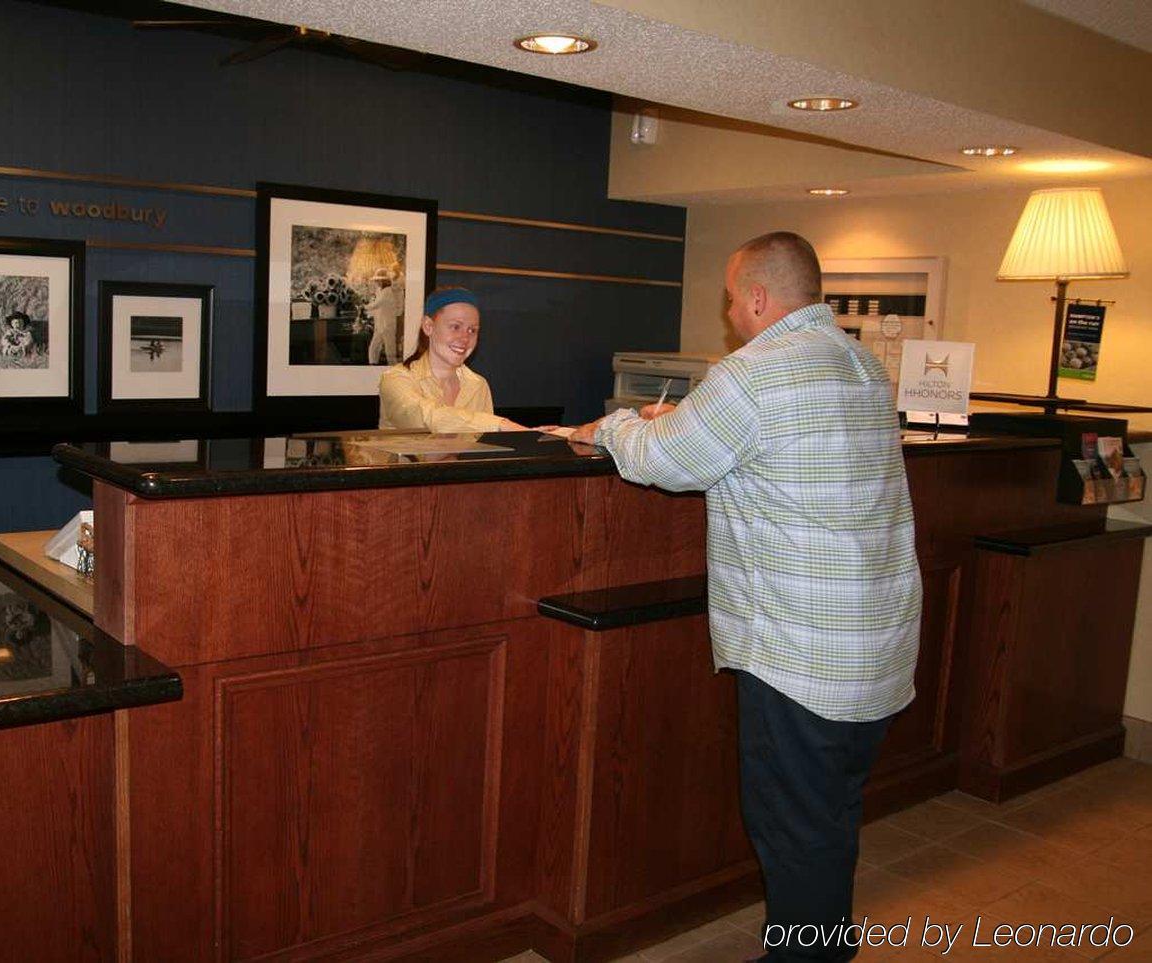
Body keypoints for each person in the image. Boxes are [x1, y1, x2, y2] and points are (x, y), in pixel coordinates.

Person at [570, 232, 921, 962]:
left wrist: (609, 427)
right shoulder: (860, 364)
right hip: (875, 647)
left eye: (733, 298)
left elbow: (663, 461)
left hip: (800, 656)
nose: (730, 313)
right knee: (829, 816)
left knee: (794, 827)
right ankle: (822, 946)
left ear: (759, 297)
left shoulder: (755, 372)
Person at [379, 287, 528, 431]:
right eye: (455, 327)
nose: (465, 338)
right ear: (428, 326)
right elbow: (427, 417)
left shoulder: (478, 386)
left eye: (472, 330)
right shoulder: (396, 379)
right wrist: (501, 425)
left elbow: (480, 450)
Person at [364, 267, 403, 365]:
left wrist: (365, 307)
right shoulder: (381, 291)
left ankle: (393, 368)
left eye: (378, 280)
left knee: (389, 350)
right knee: (374, 347)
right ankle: (372, 364)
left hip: (387, 325)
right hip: (381, 325)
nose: (377, 282)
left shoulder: (387, 292)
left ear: (383, 281)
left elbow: (377, 304)